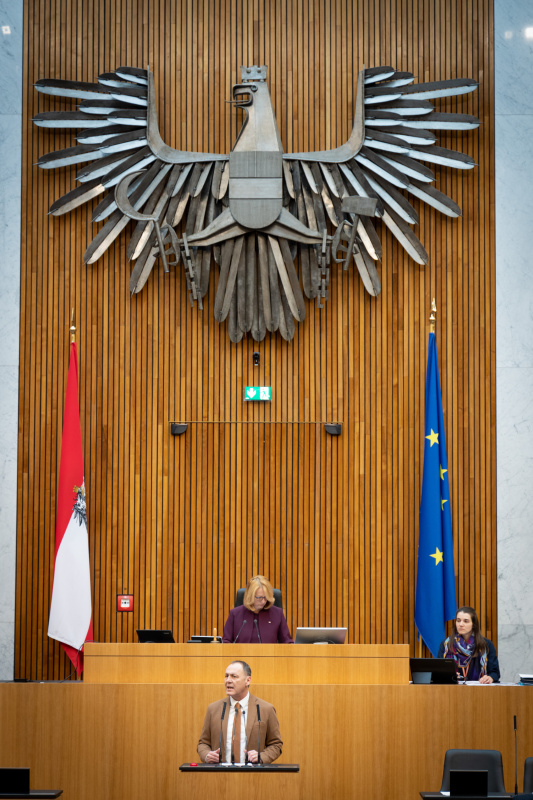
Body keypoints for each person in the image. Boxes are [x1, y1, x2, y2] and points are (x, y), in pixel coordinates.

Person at [197, 660, 283, 764]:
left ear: (248, 680)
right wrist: (206, 755)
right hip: (219, 776)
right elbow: (203, 743)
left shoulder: (265, 709)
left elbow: (276, 744)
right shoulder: (213, 709)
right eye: (226, 676)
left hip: (253, 776)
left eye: (234, 676)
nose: (228, 680)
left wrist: (261, 757)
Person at [222, 575, 293, 644]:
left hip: (270, 655)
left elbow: (287, 642)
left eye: (266, 597)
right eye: (259, 598)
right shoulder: (235, 614)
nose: (263, 601)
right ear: (250, 596)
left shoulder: (277, 614)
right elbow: (226, 642)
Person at [437, 606, 500, 683]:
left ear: (473, 624)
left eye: (466, 621)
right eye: (458, 620)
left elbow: (495, 672)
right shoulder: (446, 644)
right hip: (452, 689)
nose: (461, 624)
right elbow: (438, 671)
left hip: (480, 690)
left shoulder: (486, 644)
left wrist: (490, 678)